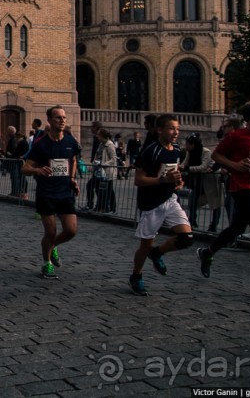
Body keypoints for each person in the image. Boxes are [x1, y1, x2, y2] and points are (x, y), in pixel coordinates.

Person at [198, 100, 250, 295]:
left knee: (237, 228)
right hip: (241, 188)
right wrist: (234, 166)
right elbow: (217, 156)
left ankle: (207, 252)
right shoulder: (236, 136)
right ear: (248, 118)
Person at [128, 113, 193, 296]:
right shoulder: (150, 151)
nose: (175, 132)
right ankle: (136, 275)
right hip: (151, 203)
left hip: (170, 199)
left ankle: (158, 253)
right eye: (172, 128)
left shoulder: (177, 149)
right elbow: (139, 180)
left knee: (186, 238)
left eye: (177, 129)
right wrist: (162, 180)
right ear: (160, 130)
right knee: (145, 245)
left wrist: (177, 181)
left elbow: (174, 172)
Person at [21, 105, 81, 279]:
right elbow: (25, 168)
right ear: (49, 120)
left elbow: (73, 160)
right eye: (58, 118)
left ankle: (52, 246)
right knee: (51, 231)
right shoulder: (41, 145)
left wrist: (72, 179)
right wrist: (38, 171)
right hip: (46, 192)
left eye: (64, 117)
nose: (62, 120)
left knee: (71, 230)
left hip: (64, 192)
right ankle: (46, 264)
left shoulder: (70, 141)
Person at [179, 133, 221, 228]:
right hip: (198, 181)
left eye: (187, 143)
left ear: (192, 144)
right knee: (192, 200)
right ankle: (192, 221)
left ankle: (214, 225)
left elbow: (203, 167)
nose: (186, 145)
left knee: (214, 204)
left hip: (210, 181)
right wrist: (180, 167)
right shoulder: (189, 152)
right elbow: (185, 163)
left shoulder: (205, 152)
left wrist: (187, 168)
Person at [93, 129, 117, 213]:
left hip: (107, 172)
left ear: (102, 136)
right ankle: (102, 207)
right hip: (100, 171)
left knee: (109, 190)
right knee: (102, 189)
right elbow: (98, 155)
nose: (97, 136)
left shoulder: (110, 145)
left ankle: (111, 208)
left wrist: (104, 163)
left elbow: (113, 159)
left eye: (98, 135)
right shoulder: (101, 144)